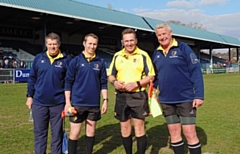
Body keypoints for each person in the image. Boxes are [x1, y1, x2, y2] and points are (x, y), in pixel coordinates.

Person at [152, 22, 204, 154]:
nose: (162, 37)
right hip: (166, 100)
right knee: (174, 134)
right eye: (159, 35)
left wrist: (199, 95)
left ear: (171, 33)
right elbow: (156, 76)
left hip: (185, 99)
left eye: (164, 34)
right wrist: (153, 92)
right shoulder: (156, 53)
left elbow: (195, 71)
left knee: (189, 133)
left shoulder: (183, 48)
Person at [107, 28, 155, 154]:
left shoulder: (143, 55)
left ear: (136, 41)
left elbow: (151, 76)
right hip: (121, 96)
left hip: (138, 96)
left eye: (131, 40)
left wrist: (136, 83)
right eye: (126, 41)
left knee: (139, 128)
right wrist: (115, 82)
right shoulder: (117, 56)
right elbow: (111, 75)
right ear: (123, 42)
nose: (129, 43)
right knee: (124, 128)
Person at [26, 32, 71, 154]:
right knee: (40, 134)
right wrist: (29, 96)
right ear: (46, 44)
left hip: (58, 104)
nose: (52, 47)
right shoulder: (38, 58)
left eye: (55, 44)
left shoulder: (66, 60)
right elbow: (32, 78)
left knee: (57, 135)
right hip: (39, 103)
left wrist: (68, 102)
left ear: (59, 44)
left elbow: (69, 82)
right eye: (50, 44)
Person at [64, 33, 108, 154]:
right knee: (74, 133)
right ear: (84, 43)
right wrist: (68, 103)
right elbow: (68, 82)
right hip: (77, 104)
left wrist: (105, 100)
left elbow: (103, 83)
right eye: (90, 43)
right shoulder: (75, 61)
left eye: (94, 44)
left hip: (94, 104)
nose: (92, 46)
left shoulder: (100, 62)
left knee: (91, 132)